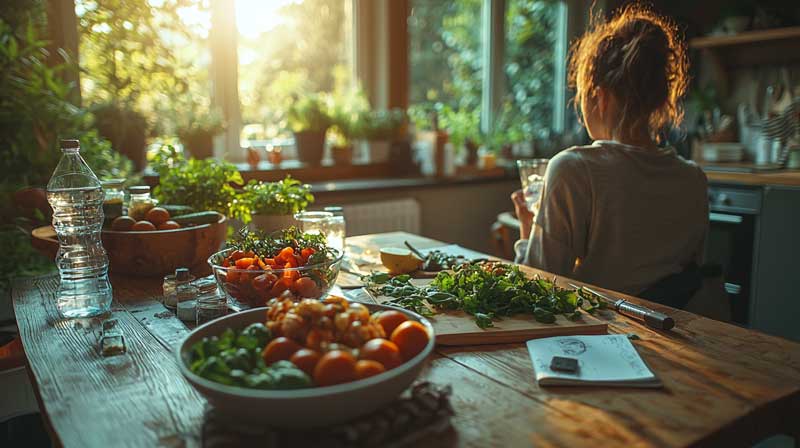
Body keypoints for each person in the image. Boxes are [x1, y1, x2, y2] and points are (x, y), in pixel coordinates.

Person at [512, 5, 708, 306]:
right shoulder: (693, 178)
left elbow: (537, 290)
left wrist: (528, 231)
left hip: (599, 336)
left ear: (600, 97)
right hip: (669, 337)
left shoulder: (573, 169)